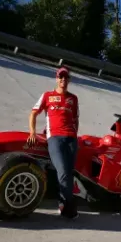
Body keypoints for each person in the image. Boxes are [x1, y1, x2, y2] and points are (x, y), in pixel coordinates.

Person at [28, 66, 79, 219]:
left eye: (66, 77)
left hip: (71, 138)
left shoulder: (73, 98)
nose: (63, 79)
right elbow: (33, 113)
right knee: (62, 171)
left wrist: (75, 135)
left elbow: (76, 119)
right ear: (56, 78)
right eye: (60, 77)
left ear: (69, 80)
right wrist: (33, 132)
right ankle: (66, 206)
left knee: (69, 173)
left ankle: (63, 203)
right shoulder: (47, 95)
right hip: (55, 138)